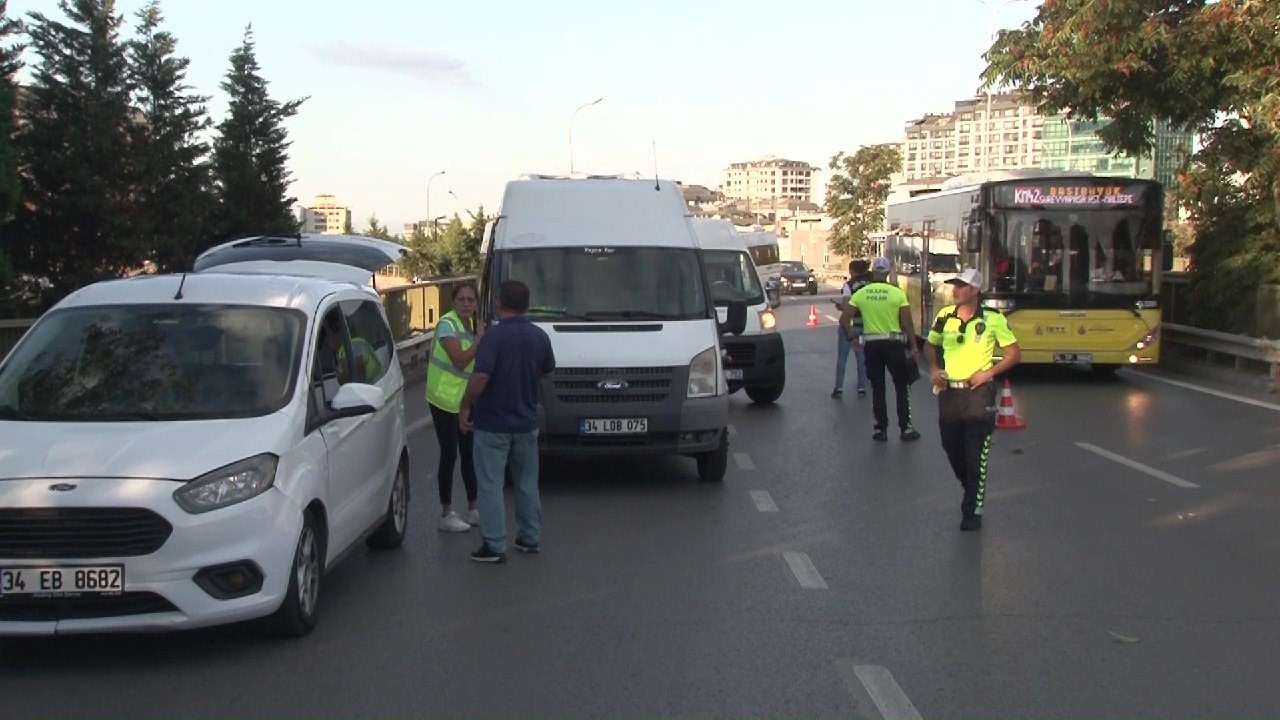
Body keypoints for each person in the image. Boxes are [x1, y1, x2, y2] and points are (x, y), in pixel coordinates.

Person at [459, 280, 556, 563]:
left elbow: (480, 377)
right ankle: (529, 537)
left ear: (499, 304)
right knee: (527, 483)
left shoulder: (493, 338)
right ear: (526, 305)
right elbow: (548, 371)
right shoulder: (539, 337)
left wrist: (465, 404)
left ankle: (494, 544)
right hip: (526, 422)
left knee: (490, 484)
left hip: (493, 424)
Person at [923, 268, 1021, 531]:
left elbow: (1013, 353)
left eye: (961, 286)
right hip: (949, 394)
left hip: (979, 394)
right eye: (954, 285)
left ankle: (972, 510)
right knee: (952, 449)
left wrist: (988, 372)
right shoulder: (945, 316)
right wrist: (934, 369)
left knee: (975, 454)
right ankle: (971, 488)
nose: (955, 290)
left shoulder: (993, 319)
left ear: (975, 291)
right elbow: (929, 345)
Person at [840, 256, 921, 442]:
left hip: (872, 346)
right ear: (888, 273)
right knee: (901, 386)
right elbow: (907, 322)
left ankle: (880, 429)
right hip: (894, 345)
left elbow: (844, 319)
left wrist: (852, 337)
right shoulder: (897, 293)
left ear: (874, 272)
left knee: (878, 388)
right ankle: (905, 429)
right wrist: (914, 346)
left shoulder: (862, 293)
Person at [426, 283, 484, 533]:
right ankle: (446, 512)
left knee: (469, 453)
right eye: (461, 299)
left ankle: (473, 508)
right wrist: (479, 341)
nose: (466, 304)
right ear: (453, 302)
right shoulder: (447, 324)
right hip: (441, 399)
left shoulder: (470, 325)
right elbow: (460, 362)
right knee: (450, 453)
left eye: (471, 300)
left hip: (462, 400)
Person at [832, 259, 869, 399]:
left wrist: (841, 307)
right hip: (864, 325)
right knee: (861, 358)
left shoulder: (849, 285)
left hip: (849, 325)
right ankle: (861, 387)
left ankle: (839, 388)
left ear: (852, 271)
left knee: (842, 358)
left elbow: (848, 307)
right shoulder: (870, 285)